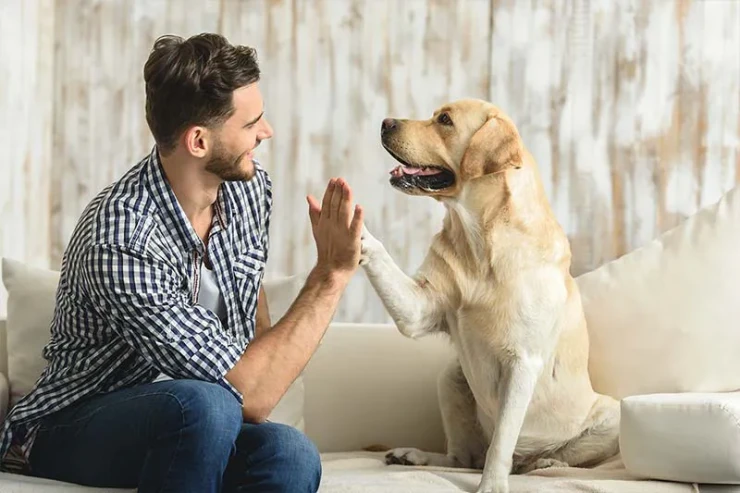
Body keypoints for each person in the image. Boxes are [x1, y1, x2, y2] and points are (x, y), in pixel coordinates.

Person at [0, 32, 364, 493]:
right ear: (198, 141)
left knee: (290, 453)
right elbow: (248, 396)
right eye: (252, 123)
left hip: (199, 421)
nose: (266, 132)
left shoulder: (249, 190)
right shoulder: (121, 235)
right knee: (205, 404)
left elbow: (252, 322)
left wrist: (259, 375)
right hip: (75, 425)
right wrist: (330, 275)